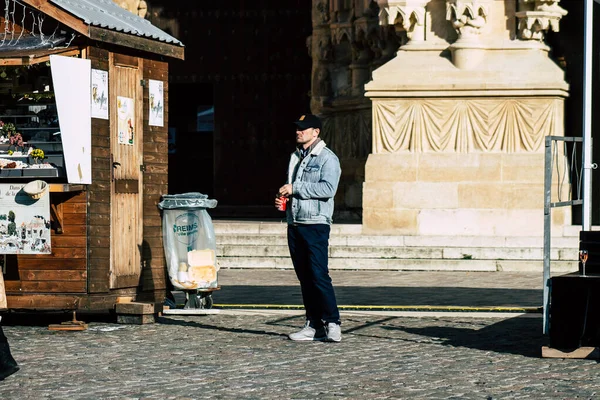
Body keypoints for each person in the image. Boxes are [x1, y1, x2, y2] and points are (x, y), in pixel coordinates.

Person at [275, 113, 342, 342]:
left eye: (304, 128)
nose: (298, 131)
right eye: (297, 128)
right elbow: (294, 189)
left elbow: (328, 189)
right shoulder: (296, 157)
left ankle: (333, 322)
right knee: (304, 277)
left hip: (315, 223)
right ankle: (313, 325)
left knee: (318, 274)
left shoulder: (327, 158)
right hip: (295, 222)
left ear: (316, 132)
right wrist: (284, 201)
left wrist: (296, 188)